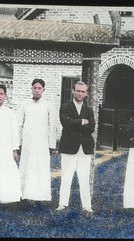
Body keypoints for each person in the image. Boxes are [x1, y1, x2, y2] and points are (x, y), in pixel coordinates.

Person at [56, 80, 95, 213]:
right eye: (78, 91)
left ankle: (87, 206)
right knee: (66, 176)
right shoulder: (65, 106)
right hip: (68, 146)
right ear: (73, 91)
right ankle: (62, 204)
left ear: (86, 93)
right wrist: (81, 122)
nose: (80, 94)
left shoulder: (89, 110)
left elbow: (91, 128)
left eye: (83, 91)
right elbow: (65, 122)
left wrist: (75, 125)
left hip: (84, 147)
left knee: (84, 177)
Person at [18, 79, 57, 202]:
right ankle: (23, 196)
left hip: (42, 143)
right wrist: (18, 143)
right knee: (26, 168)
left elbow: (52, 126)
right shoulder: (25, 104)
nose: (37, 90)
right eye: (35, 87)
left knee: (40, 169)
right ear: (31, 89)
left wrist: (51, 145)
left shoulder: (48, 105)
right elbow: (19, 125)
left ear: (43, 90)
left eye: (39, 88)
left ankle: (40, 198)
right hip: (28, 143)